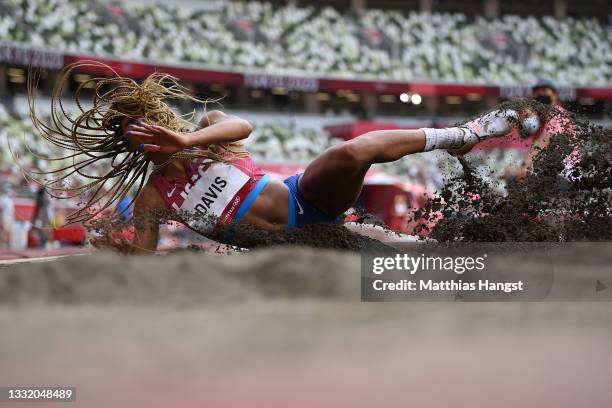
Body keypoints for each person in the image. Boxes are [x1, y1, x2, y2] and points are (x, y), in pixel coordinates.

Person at [26, 62, 534, 254]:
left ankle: (462, 134)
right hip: (290, 246)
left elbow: (243, 125)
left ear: (160, 120)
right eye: (136, 138)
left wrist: (183, 144)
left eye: (151, 127)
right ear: (131, 148)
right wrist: (112, 246)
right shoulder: (152, 197)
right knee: (400, 251)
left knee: (353, 152)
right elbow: (142, 253)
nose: (150, 139)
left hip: (302, 201)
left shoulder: (207, 135)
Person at [0, 184, 15, 249]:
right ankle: (2, 243)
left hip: (9, 217)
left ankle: (6, 243)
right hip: (5, 217)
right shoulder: (2, 199)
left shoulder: (9, 199)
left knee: (8, 231)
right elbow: (1, 209)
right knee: (4, 231)